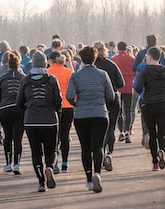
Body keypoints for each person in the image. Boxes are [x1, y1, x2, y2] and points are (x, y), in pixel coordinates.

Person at [66, 45, 115, 193]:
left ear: (81, 58)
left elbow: (69, 95)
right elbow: (111, 96)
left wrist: (76, 103)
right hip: (100, 113)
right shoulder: (103, 74)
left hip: (81, 115)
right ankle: (97, 173)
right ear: (95, 58)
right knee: (98, 147)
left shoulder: (75, 76)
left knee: (85, 148)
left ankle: (88, 179)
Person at [17, 51, 62, 192]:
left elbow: (19, 102)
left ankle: (41, 182)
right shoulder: (52, 79)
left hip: (31, 120)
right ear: (44, 63)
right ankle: (49, 166)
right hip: (49, 120)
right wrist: (56, 112)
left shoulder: (25, 80)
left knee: (36, 152)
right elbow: (58, 100)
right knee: (51, 149)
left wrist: (28, 110)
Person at [135, 46, 165, 171]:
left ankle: (155, 162)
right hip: (163, 104)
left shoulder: (145, 71)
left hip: (148, 105)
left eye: (146, 56)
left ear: (149, 56)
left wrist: (146, 88)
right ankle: (162, 151)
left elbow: (138, 88)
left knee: (152, 135)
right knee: (162, 134)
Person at [93, 41, 124, 173]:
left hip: (98, 100)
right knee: (111, 127)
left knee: (97, 130)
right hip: (113, 99)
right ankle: (109, 153)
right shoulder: (112, 65)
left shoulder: (92, 67)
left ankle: (99, 156)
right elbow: (121, 82)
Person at [0, 52, 25, 174]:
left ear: (8, 66)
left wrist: (1, 105)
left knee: (7, 136)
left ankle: (8, 164)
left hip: (5, 109)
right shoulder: (23, 77)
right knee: (18, 138)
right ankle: (17, 164)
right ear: (19, 65)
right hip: (18, 109)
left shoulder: (2, 78)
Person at [47, 51, 73, 173]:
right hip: (68, 106)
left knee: (54, 137)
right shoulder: (68, 72)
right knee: (65, 135)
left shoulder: (48, 72)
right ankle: (65, 163)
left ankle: (55, 162)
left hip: (53, 107)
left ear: (51, 60)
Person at [111, 41, 135, 142]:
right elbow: (135, 72)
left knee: (119, 111)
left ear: (118, 48)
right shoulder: (132, 59)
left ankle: (121, 132)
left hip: (118, 87)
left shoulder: (114, 59)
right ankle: (127, 131)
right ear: (126, 48)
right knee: (128, 110)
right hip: (129, 87)